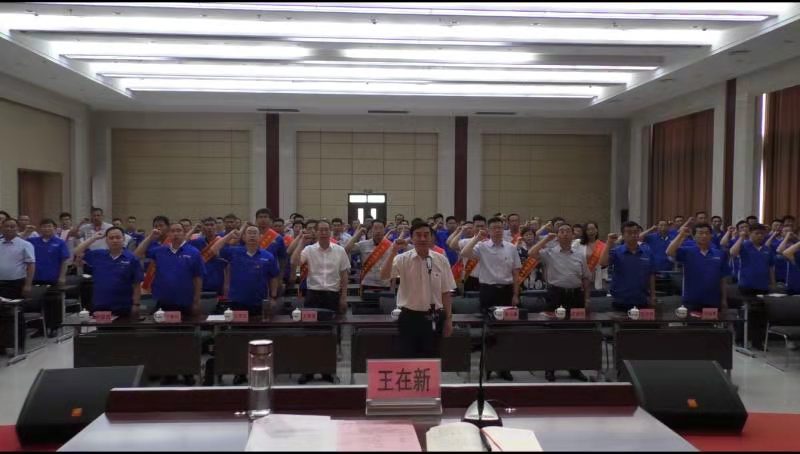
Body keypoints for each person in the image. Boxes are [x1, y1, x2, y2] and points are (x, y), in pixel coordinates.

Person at [380, 221, 456, 359]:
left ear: (432, 238)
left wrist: (449, 320)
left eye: (426, 235)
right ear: (412, 238)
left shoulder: (441, 260)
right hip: (409, 317)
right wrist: (393, 251)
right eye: (418, 235)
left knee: (432, 359)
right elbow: (384, 276)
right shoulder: (402, 259)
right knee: (408, 358)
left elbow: (446, 292)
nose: (422, 238)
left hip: (434, 316)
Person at [528, 223, 591, 383]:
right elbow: (531, 253)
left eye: (568, 231)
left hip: (576, 296)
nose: (565, 234)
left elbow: (586, 278)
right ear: (557, 235)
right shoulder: (550, 253)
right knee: (553, 333)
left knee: (575, 334)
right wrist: (546, 240)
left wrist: (587, 298)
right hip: (556, 296)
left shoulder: (579, 254)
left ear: (573, 235)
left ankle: (574, 367)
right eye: (561, 231)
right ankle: (550, 368)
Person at [461, 216, 521, 382]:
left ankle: (504, 368)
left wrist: (515, 294)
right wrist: (476, 237)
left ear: (503, 229)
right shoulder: (482, 246)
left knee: (505, 332)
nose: (497, 230)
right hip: (488, 291)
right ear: (488, 230)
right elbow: (464, 253)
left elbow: (516, 273)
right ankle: (488, 367)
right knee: (488, 331)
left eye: (500, 227)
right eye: (494, 228)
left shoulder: (511, 247)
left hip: (506, 292)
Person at [291, 219, 350, 384]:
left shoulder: (339, 250)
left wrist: (343, 297)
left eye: (326, 229)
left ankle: (328, 372)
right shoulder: (309, 250)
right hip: (313, 296)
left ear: (330, 232)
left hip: (332, 296)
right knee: (310, 335)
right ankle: (308, 371)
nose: (323, 232)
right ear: (316, 232)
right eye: (320, 230)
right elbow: (294, 261)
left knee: (331, 335)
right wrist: (301, 242)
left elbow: (344, 275)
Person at [73, 227, 143, 317]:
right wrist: (93, 238)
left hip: (123, 306)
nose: (114, 240)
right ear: (106, 240)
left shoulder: (132, 259)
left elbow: (136, 284)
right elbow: (77, 251)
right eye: (111, 238)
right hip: (100, 306)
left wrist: (136, 304)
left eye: (118, 237)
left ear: (124, 239)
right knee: (101, 327)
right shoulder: (98, 255)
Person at [729, 223, 775, 350]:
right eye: (756, 233)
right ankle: (740, 340)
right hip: (746, 286)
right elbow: (732, 252)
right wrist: (741, 237)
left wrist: (773, 283)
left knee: (761, 316)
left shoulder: (767, 249)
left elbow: (771, 268)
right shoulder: (744, 246)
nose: (760, 236)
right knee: (745, 314)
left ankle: (757, 342)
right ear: (750, 234)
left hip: (763, 287)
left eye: (762, 234)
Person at [666, 223, 729, 312]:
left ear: (711, 235)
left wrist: (724, 299)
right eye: (700, 233)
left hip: (713, 300)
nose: (704, 236)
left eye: (707, 233)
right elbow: (669, 252)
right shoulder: (687, 251)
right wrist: (681, 235)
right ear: (694, 236)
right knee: (692, 321)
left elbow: (722, 279)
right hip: (691, 300)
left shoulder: (719, 254)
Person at [27, 219, 71, 337]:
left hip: (53, 278)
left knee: (53, 303)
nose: (46, 229)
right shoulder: (33, 241)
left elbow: (64, 260)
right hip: (36, 278)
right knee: (38, 303)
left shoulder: (60, 242)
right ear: (40, 228)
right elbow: (19, 242)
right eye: (44, 226)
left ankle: (54, 327)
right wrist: (26, 232)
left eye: (49, 226)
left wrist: (62, 277)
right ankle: (41, 328)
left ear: (55, 228)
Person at [599, 222, 656, 311]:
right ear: (623, 235)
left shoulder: (647, 251)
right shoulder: (616, 251)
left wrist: (653, 295)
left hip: (642, 299)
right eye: (629, 233)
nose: (633, 235)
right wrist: (609, 243)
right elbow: (603, 263)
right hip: (620, 300)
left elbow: (651, 274)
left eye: (636, 232)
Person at [0, 218, 36, 351]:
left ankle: (18, 345)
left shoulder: (25, 244)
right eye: (6, 226)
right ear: (2, 228)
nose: (9, 229)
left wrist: (28, 285)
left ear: (17, 228)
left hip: (16, 284)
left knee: (16, 314)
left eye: (12, 226)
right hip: (0, 284)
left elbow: (31, 265)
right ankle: (3, 345)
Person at [345, 220, 393, 292]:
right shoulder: (363, 244)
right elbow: (346, 250)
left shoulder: (391, 245)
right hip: (367, 283)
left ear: (384, 230)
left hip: (384, 284)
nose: (378, 231)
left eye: (381, 228)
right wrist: (358, 234)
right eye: (375, 228)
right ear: (371, 230)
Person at [188, 217, 228, 296]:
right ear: (203, 227)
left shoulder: (223, 242)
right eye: (206, 225)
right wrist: (193, 229)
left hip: (218, 284)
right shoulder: (196, 242)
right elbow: (182, 243)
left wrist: (226, 286)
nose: (209, 227)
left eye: (212, 225)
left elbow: (228, 267)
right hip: (200, 284)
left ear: (216, 226)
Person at [452, 215, 488, 292]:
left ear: (486, 227)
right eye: (477, 226)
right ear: (473, 227)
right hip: (471, 278)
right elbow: (452, 245)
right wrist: (461, 231)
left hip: (487, 279)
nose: (480, 228)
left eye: (482, 226)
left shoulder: (490, 242)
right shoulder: (467, 241)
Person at [576, 221, 607, 291]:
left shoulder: (603, 245)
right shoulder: (578, 243)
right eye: (588, 229)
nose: (591, 231)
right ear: (585, 231)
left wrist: (604, 280)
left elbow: (604, 266)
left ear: (597, 230)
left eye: (593, 229)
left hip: (597, 279)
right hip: (582, 279)